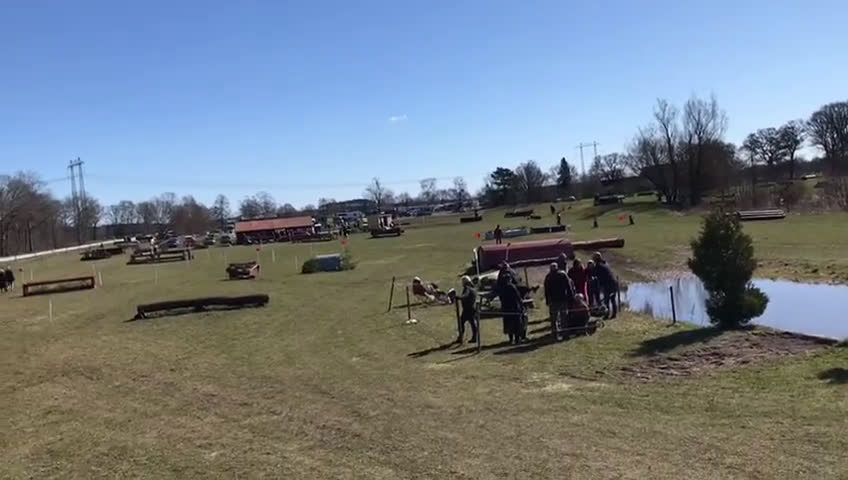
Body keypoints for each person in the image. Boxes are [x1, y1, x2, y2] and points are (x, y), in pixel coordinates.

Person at [544, 262, 573, 340]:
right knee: (563, 317)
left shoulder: (548, 276)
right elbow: (568, 286)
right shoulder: (562, 274)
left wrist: (547, 300)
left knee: (554, 318)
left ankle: (555, 334)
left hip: (554, 300)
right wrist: (571, 296)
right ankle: (565, 334)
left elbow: (546, 290)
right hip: (562, 298)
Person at [591, 252, 619, 319]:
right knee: (612, 299)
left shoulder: (598, 266)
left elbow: (596, 275)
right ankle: (614, 314)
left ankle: (606, 315)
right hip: (614, 282)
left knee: (607, 300)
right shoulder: (605, 263)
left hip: (608, 284)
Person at [456, 276, 478, 344]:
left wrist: (459, 297)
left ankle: (461, 337)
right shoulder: (472, 287)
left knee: (461, 322)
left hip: (468, 309)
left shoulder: (467, 288)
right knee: (472, 323)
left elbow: (465, 295)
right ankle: (474, 337)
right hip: (472, 308)